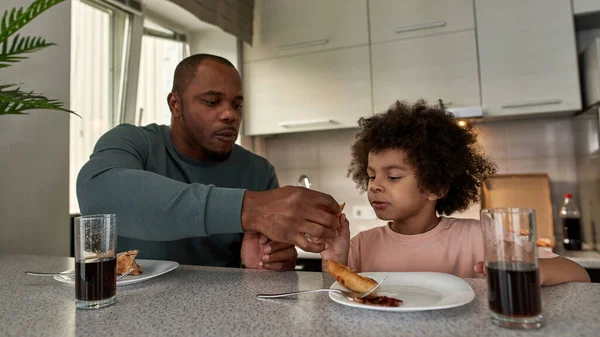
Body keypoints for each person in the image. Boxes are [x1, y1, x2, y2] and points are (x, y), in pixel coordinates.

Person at [77, 54, 342, 270]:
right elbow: (97, 195)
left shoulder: (258, 171)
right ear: (175, 104)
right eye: (212, 102)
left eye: (237, 105)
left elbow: (266, 270)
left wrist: (265, 263)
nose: (229, 114)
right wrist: (249, 209)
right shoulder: (134, 142)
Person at [319, 100, 590, 285]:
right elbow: (333, 298)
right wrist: (335, 260)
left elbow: (578, 274)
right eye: (371, 176)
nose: (375, 185)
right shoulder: (363, 245)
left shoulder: (481, 237)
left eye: (393, 176)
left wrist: (529, 273)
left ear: (436, 186)